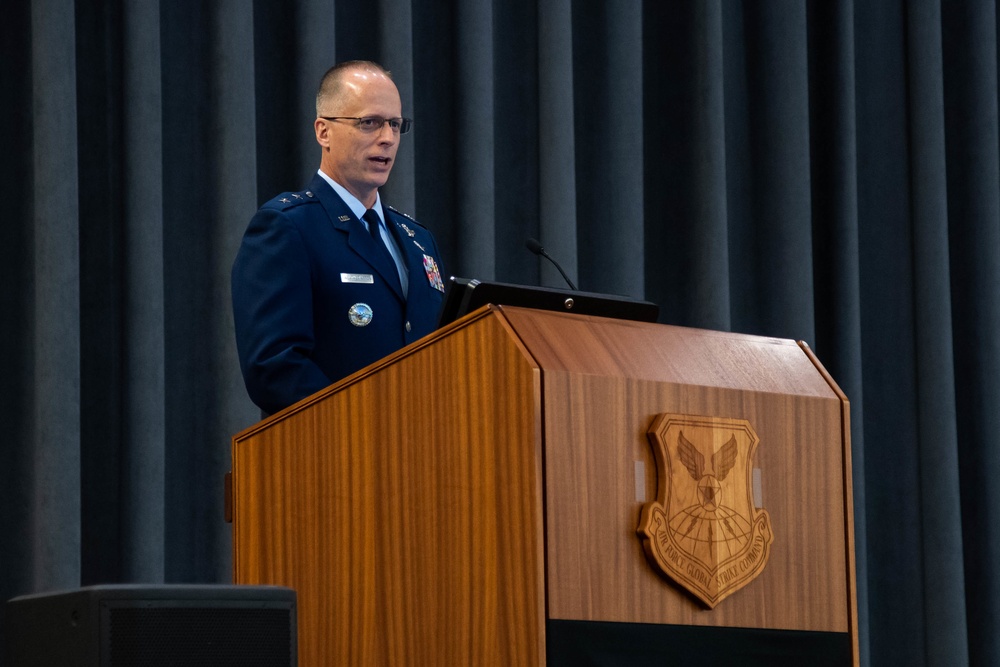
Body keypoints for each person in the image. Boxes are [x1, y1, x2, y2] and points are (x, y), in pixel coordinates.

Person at [231, 61, 446, 415]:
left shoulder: (418, 239)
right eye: (369, 123)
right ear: (323, 132)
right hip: (335, 453)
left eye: (394, 124)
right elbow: (274, 368)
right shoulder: (288, 227)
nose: (388, 138)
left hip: (421, 453)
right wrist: (369, 422)